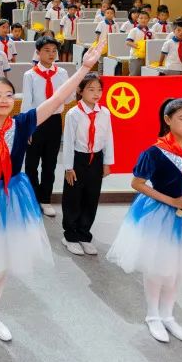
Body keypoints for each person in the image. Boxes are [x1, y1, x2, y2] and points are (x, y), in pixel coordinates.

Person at [0, 40, 104, 352]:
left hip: (14, 196)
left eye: (9, 95)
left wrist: (85, 68)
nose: (4, 100)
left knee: (3, 261)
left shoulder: (22, 124)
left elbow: (58, 98)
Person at [106, 98, 182, 344]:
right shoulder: (154, 153)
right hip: (160, 214)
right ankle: (153, 315)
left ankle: (168, 315)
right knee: (158, 266)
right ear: (167, 120)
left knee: (177, 268)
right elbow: (137, 183)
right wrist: (172, 201)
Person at [60, 74, 113, 255]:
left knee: (91, 197)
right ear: (80, 91)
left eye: (99, 90)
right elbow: (68, 142)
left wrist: (107, 162)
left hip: (96, 158)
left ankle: (84, 234)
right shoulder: (73, 114)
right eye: (91, 89)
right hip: (78, 159)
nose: (96, 93)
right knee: (73, 198)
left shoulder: (105, 113)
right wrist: (69, 167)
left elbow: (108, 138)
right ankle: (70, 236)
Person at [22, 36, 70, 217]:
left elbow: (69, 97)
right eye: (47, 51)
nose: (51, 54)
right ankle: (32, 198)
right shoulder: (30, 75)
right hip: (36, 120)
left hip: (54, 120)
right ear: (38, 52)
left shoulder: (62, 73)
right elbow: (27, 102)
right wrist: (27, 127)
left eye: (54, 51)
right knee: (31, 164)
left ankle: (45, 199)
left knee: (50, 163)